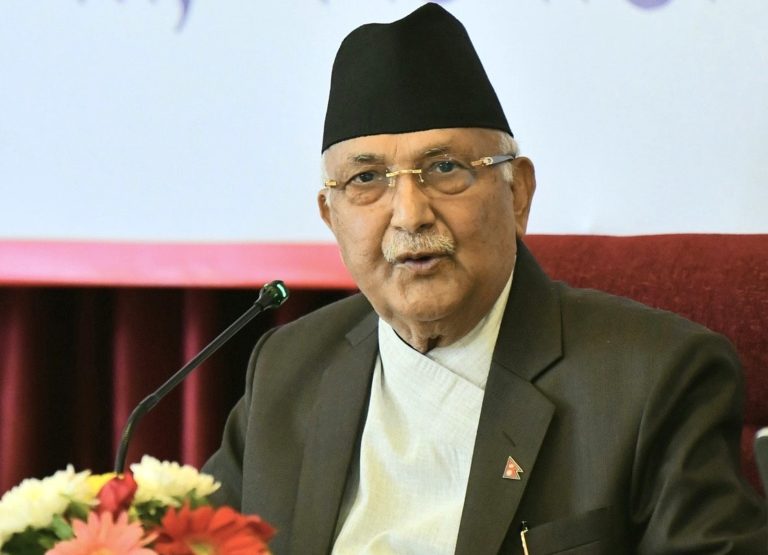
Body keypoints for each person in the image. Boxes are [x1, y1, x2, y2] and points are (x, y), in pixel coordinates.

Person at [203, 4, 767, 553]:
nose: (410, 215)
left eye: (445, 168)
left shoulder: (654, 378)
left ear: (517, 193)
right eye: (367, 179)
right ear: (331, 217)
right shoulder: (289, 368)